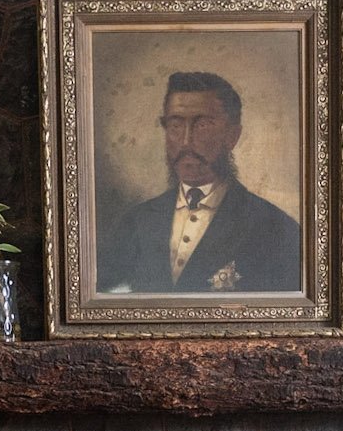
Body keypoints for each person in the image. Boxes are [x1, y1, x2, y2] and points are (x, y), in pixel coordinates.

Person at [96, 71, 302, 294]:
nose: (185, 142)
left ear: (232, 136)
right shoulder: (135, 222)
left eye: (202, 125)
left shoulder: (276, 229)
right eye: (175, 125)